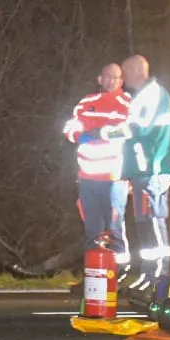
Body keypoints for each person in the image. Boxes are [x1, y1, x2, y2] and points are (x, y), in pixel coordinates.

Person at [107, 54, 170, 291]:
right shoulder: (143, 96)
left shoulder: (152, 95)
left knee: (153, 220)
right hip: (144, 169)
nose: (123, 79)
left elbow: (137, 129)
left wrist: (104, 133)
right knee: (144, 222)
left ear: (136, 71)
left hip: (155, 168)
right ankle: (148, 274)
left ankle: (159, 276)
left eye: (125, 73)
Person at [62, 62, 131, 266]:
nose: (111, 81)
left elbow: (130, 132)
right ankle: (94, 273)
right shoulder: (86, 102)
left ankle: (119, 271)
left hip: (114, 177)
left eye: (116, 77)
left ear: (121, 81)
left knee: (115, 228)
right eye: (108, 76)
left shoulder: (128, 104)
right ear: (100, 79)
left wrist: (100, 132)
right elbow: (69, 128)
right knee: (92, 230)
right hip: (87, 176)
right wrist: (79, 135)